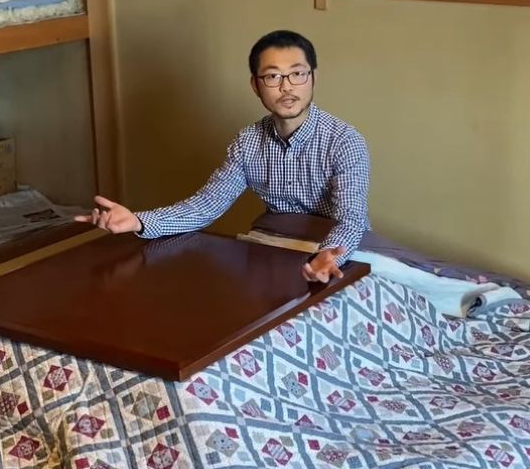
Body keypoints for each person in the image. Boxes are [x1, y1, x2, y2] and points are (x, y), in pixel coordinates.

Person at [77, 30, 370, 283]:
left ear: (313, 78)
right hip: (275, 246)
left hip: (340, 250)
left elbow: (351, 220)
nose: (286, 86)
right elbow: (205, 207)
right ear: (256, 85)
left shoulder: (344, 140)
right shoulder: (248, 142)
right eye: (272, 76)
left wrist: (328, 255)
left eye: (297, 73)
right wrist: (138, 221)